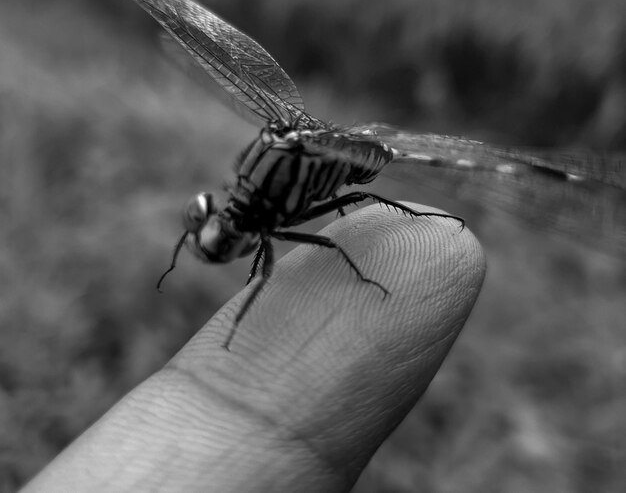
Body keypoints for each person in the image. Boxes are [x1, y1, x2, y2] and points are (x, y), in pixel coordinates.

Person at [21, 204, 485, 492]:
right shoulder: (249, 214)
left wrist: (360, 272)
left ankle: (401, 230)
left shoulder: (267, 218)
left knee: (333, 230)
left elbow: (305, 248)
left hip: (359, 214)